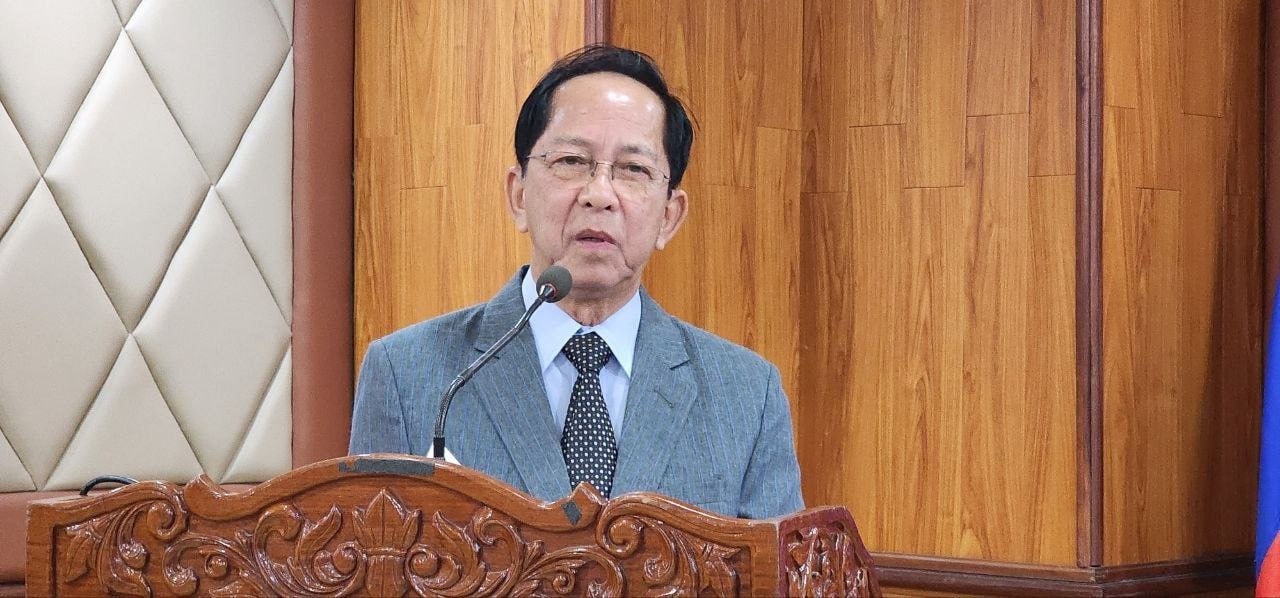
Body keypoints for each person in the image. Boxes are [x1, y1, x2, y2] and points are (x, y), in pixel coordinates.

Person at [349, 45, 803, 519]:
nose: (599, 194)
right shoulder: (408, 375)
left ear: (669, 216)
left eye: (634, 169)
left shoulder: (746, 395)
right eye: (571, 161)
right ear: (519, 195)